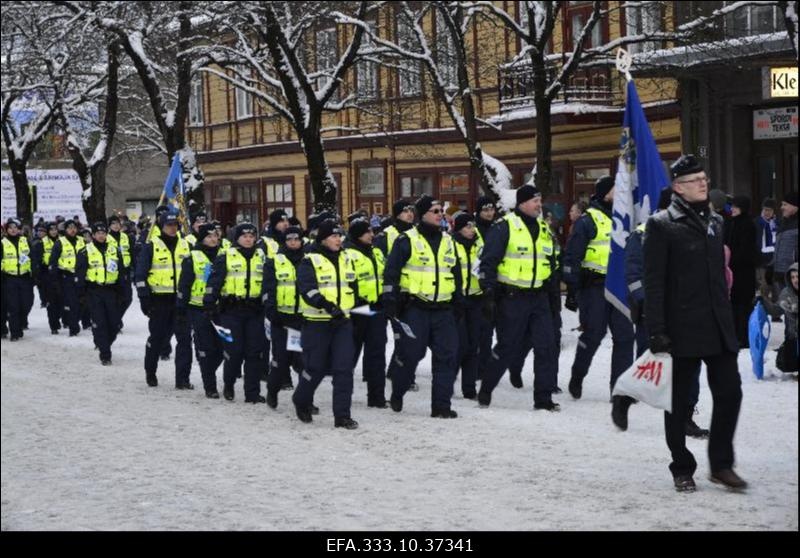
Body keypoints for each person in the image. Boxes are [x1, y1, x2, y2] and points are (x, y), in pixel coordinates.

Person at [644, 154, 746, 492]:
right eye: (694, 180)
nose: (703, 183)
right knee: (678, 402)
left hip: (717, 325)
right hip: (681, 328)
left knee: (730, 393)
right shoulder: (661, 224)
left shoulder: (716, 222)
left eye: (704, 178)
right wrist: (657, 330)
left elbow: (719, 276)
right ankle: (681, 466)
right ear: (677, 188)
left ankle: (721, 464)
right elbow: (654, 282)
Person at [623, 188, 709, 437]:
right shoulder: (642, 234)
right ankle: (627, 398)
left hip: (688, 313)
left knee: (690, 368)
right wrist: (651, 306)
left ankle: (685, 416)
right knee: (651, 365)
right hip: (656, 315)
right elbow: (634, 275)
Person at [476, 185, 559, 411]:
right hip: (512, 298)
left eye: (540, 200)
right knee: (507, 347)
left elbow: (551, 265)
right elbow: (488, 263)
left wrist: (553, 300)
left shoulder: (543, 229)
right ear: (523, 203)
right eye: (535, 201)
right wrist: (489, 295)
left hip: (539, 298)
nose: (539, 205)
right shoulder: (505, 227)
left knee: (546, 347)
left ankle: (543, 400)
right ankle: (486, 388)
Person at [382, 195, 463, 418]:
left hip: (443, 310)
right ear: (423, 214)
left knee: (447, 358)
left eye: (441, 211)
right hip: (416, 309)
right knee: (410, 356)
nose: (440, 215)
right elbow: (391, 274)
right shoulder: (406, 240)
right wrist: (390, 303)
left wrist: (458, 302)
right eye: (435, 211)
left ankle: (441, 406)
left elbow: (455, 274)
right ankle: (398, 392)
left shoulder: (449, 241)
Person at [563, 175, 634, 413]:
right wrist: (572, 290)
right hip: (594, 287)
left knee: (624, 337)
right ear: (605, 193)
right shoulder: (587, 221)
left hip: (620, 287)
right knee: (594, 334)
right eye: (616, 189)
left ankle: (619, 390)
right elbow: (572, 257)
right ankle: (577, 374)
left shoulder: (625, 218)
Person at [293, 219, 360, 428]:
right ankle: (301, 399)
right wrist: (328, 306)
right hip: (317, 322)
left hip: (342, 323)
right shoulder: (309, 261)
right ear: (323, 239)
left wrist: (356, 305)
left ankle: (342, 416)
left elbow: (352, 285)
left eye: (339, 235)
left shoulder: (347, 258)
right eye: (333, 236)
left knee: (344, 369)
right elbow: (307, 290)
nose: (338, 239)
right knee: (315, 368)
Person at [204, 223, 268, 403]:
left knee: (254, 353)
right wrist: (209, 303)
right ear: (237, 238)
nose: (248, 239)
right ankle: (229, 383)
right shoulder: (226, 257)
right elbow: (213, 282)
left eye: (251, 236)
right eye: (244, 236)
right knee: (234, 351)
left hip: (255, 310)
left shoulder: (262, 257)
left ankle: (252, 393)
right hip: (231, 310)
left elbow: (269, 283)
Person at [135, 212, 193, 389]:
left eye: (175, 224)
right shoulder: (151, 246)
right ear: (161, 226)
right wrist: (144, 299)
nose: (173, 228)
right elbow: (140, 275)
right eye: (169, 225)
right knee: (158, 338)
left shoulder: (187, 245)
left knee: (184, 340)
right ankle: (150, 372)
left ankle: (182, 379)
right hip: (159, 300)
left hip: (181, 300)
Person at [375, 199, 421, 391]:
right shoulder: (386, 236)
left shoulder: (417, 234)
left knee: (407, 336)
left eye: (411, 210)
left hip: (410, 293)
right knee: (400, 336)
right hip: (392, 293)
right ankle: (398, 373)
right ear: (396, 215)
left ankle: (399, 371)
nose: (409, 214)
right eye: (404, 211)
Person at [344, 217, 389, 407]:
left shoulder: (377, 252)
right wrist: (355, 304)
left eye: (372, 231)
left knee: (377, 353)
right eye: (367, 232)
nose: (372, 235)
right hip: (357, 310)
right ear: (357, 235)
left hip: (376, 308)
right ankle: (344, 393)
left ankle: (376, 396)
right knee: (349, 354)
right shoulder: (346, 254)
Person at [177, 223, 224, 398]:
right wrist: (181, 308)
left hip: (221, 309)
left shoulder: (225, 255)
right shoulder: (193, 257)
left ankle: (208, 368)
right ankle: (210, 386)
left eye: (215, 236)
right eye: (209, 236)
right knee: (206, 348)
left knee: (222, 348)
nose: (213, 239)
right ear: (202, 238)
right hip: (198, 308)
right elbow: (185, 284)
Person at [264, 225, 308, 409]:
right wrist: (273, 314)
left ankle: (305, 399)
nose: (293, 242)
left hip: (303, 319)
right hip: (281, 319)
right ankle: (272, 392)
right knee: (280, 362)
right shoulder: (274, 261)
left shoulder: (310, 261)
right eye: (289, 239)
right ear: (284, 241)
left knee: (305, 363)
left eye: (296, 239)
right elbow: (268, 291)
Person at [75, 222, 121, 365]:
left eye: (103, 233)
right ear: (93, 235)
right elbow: (80, 274)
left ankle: (104, 343)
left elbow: (122, 271)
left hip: (111, 291)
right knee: (100, 323)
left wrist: (123, 291)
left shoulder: (114, 250)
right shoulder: (85, 251)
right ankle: (105, 354)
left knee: (114, 324)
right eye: (98, 233)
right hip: (94, 291)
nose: (101, 235)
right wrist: (81, 294)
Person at [451, 212, 483, 399]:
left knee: (473, 345)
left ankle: (469, 388)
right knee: (459, 345)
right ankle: (447, 382)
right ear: (459, 229)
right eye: (467, 227)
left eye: (472, 226)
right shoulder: (452, 245)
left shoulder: (479, 244)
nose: (471, 230)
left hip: (476, 298)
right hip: (457, 301)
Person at [724, 196, 757, 348]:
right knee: (735, 305)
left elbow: (746, 251)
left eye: (736, 207)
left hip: (743, 273)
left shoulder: (748, 225)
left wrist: (730, 259)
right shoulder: (732, 223)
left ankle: (743, 337)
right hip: (733, 271)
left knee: (742, 306)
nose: (732, 209)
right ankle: (736, 335)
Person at [49, 219, 86, 336]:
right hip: (67, 276)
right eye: (69, 228)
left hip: (81, 276)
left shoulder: (82, 241)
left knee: (83, 303)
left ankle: (73, 320)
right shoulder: (60, 242)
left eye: (74, 227)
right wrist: (55, 279)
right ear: (65, 230)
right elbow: (53, 261)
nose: (72, 230)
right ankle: (73, 327)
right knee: (72, 302)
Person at [1, 218, 34, 341]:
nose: (13, 230)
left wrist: (34, 273)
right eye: (10, 228)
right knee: (13, 306)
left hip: (25, 278)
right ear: (6, 230)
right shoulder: (2, 243)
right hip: (9, 278)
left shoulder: (25, 241)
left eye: (15, 227)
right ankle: (14, 332)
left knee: (27, 304)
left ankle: (20, 324)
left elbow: (32, 256)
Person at [107, 214, 133, 331]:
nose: (116, 226)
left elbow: (131, 252)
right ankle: (115, 322)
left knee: (127, 298)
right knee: (115, 299)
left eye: (118, 223)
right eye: (113, 224)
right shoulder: (106, 238)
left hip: (125, 271)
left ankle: (116, 319)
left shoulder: (125, 237)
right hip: (112, 273)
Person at [35, 222, 63, 334]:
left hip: (60, 273)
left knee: (61, 299)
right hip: (47, 274)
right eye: (51, 230)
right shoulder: (41, 243)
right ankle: (54, 325)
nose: (54, 232)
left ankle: (59, 318)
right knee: (51, 301)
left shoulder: (62, 241)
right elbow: (37, 261)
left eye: (55, 229)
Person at [772, 190, 798, 295]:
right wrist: (771, 266)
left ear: (795, 206)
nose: (781, 207)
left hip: (794, 277)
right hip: (780, 276)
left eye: (785, 204)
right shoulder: (783, 224)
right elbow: (778, 248)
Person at [754, 198, 778, 310]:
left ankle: (775, 311)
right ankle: (764, 309)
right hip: (761, 258)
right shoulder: (757, 222)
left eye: (769, 210)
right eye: (765, 210)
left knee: (775, 286)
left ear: (773, 211)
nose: (766, 212)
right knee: (763, 285)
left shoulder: (777, 223)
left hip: (774, 258)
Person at [775, 263, 798, 373]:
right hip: (792, 337)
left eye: (798, 276)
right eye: (793, 277)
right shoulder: (786, 293)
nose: (795, 280)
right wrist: (763, 303)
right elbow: (776, 309)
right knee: (786, 365)